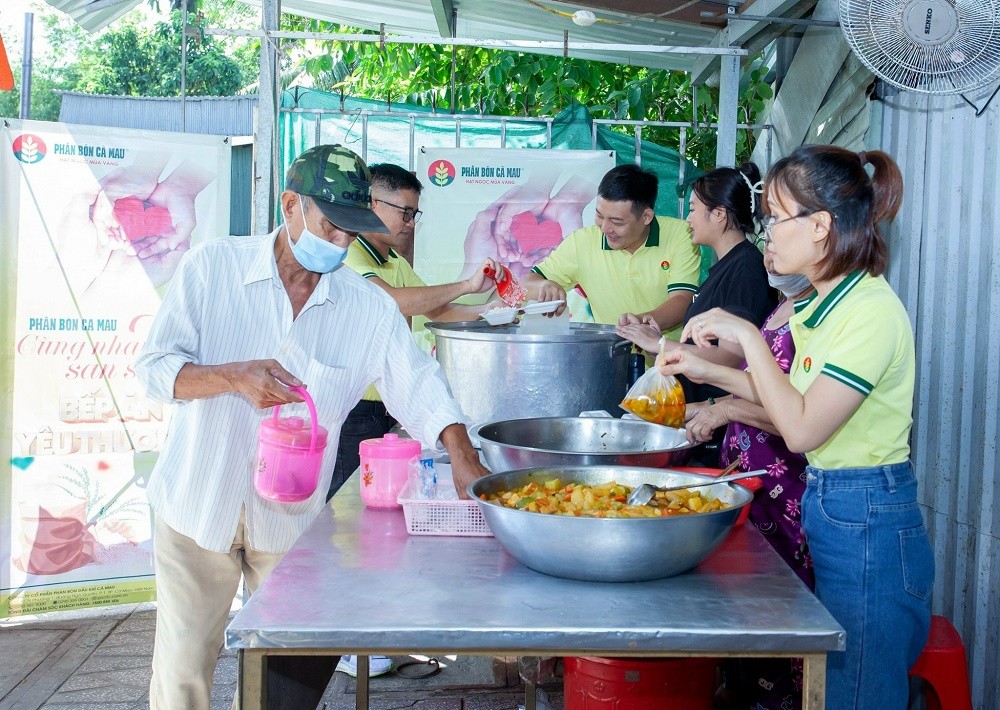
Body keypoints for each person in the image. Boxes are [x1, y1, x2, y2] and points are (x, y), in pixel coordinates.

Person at [134, 144, 489, 709]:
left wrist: (460, 448)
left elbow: (416, 380)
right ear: (290, 205)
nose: (341, 244)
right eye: (331, 226)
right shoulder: (212, 269)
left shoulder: (364, 306)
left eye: (353, 232)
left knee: (282, 682)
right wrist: (230, 377)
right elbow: (154, 372)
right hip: (198, 502)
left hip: (289, 521)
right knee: (183, 676)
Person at [660, 145, 934, 709]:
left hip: (867, 516)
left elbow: (802, 430)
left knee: (856, 692)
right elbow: (787, 401)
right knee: (836, 686)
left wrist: (749, 338)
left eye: (776, 219)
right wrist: (707, 368)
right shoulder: (824, 304)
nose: (767, 234)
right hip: (834, 504)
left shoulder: (870, 312)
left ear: (820, 226)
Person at [332, 163, 502, 496]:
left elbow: (440, 311)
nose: (410, 225)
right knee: (344, 501)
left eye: (414, 215)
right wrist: (467, 284)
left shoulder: (393, 263)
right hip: (353, 410)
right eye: (405, 213)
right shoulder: (346, 255)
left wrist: (490, 311)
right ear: (372, 204)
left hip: (387, 406)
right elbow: (394, 302)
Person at [618, 163, 775, 463]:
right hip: (703, 420)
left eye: (692, 209)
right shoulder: (725, 266)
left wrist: (661, 345)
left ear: (719, 214)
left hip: (724, 425)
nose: (687, 219)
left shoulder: (745, 269)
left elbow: (731, 356)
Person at [523, 164, 701, 338]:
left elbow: (682, 300)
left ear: (646, 216)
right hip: (610, 357)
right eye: (600, 216)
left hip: (669, 358)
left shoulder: (681, 235)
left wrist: (639, 323)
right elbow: (526, 286)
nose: (605, 228)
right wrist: (543, 286)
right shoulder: (582, 242)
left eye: (617, 222)